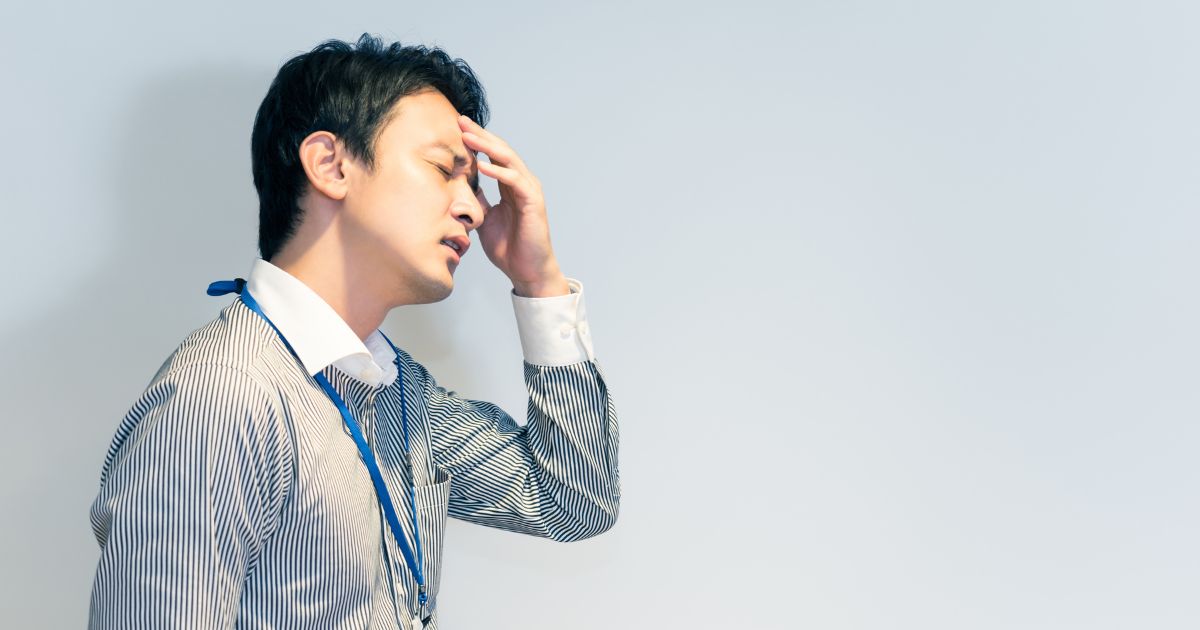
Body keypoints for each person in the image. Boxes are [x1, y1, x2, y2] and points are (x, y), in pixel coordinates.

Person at [87, 33, 620, 629]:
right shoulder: (222, 399)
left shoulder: (399, 393)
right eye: (444, 170)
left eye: (472, 184)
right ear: (330, 165)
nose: (473, 208)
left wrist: (539, 281)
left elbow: (575, 501)